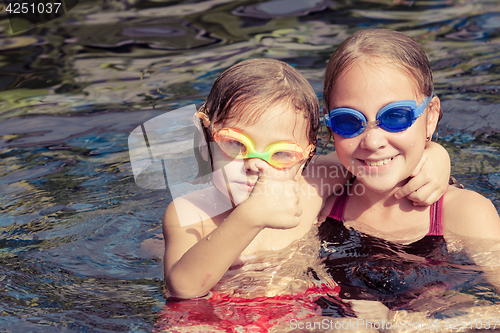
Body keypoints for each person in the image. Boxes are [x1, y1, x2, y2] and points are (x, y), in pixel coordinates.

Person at [160, 58, 451, 331]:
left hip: (296, 319)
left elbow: (363, 160)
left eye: (282, 153)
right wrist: (249, 218)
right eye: (235, 145)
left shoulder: (310, 187)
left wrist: (434, 153)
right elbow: (184, 287)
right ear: (205, 132)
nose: (255, 165)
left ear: (306, 157)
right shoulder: (191, 212)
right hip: (208, 319)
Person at [318, 29, 500, 324]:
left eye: (395, 116)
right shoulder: (320, 201)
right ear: (330, 127)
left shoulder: (463, 213)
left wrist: (413, 324)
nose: (373, 141)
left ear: (430, 117)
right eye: (349, 121)